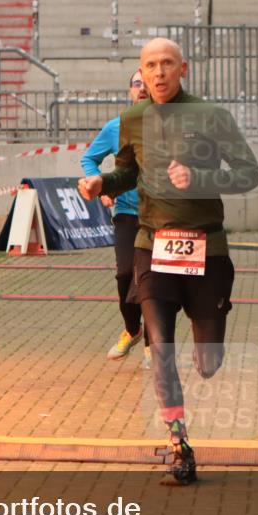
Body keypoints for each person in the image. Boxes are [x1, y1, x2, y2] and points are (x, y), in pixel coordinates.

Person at [77, 38, 258, 484]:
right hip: (151, 246)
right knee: (160, 351)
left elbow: (249, 173)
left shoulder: (211, 116)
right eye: (149, 66)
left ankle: (210, 338)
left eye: (166, 64)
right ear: (141, 72)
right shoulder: (133, 119)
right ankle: (179, 447)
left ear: (184, 68)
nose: (158, 73)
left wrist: (199, 177)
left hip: (206, 251)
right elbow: (126, 172)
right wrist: (102, 183)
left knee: (207, 363)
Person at [80, 70, 151, 367]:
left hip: (158, 215)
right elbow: (89, 159)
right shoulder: (115, 127)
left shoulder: (168, 126)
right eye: (137, 83)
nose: (143, 88)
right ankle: (133, 330)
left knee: (150, 282)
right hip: (126, 211)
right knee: (125, 274)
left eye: (147, 83)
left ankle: (153, 343)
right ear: (129, 91)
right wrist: (101, 186)